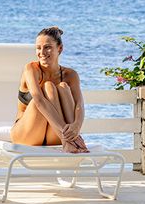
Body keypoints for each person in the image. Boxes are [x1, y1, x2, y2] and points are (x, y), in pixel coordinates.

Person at [10, 25, 89, 153]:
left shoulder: (70, 75)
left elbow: (80, 104)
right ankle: (69, 142)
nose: (42, 53)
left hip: (55, 134)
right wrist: (66, 133)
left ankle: (70, 140)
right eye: (38, 48)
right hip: (27, 132)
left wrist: (76, 126)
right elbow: (39, 100)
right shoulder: (31, 69)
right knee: (47, 87)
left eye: (47, 47)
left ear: (60, 49)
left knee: (63, 87)